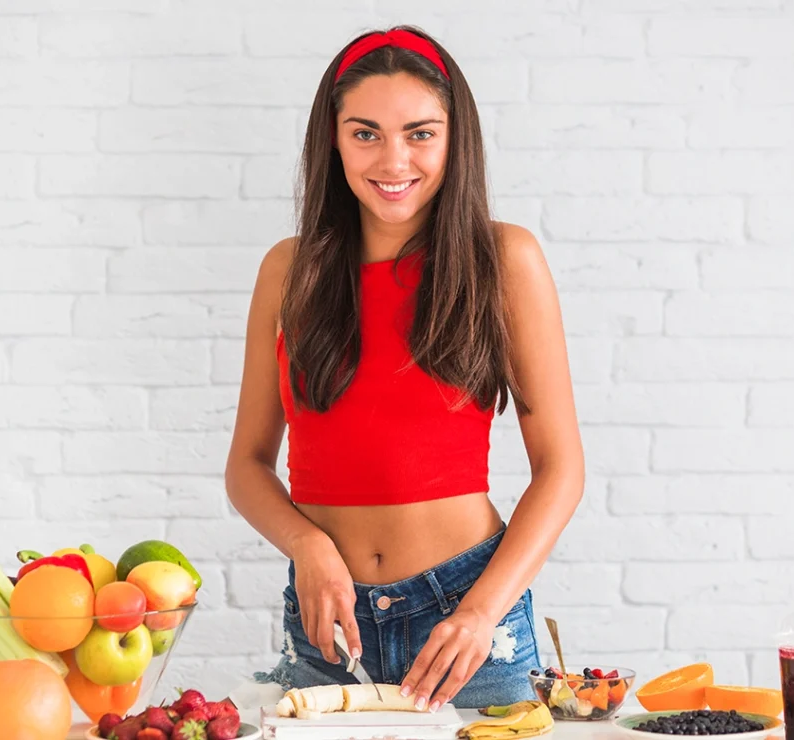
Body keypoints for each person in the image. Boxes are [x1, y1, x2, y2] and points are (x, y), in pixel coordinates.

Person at [224, 25, 585, 711]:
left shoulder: (504, 261)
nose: (393, 160)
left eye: (420, 133)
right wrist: (308, 546)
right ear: (332, 139)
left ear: (455, 139)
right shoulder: (289, 271)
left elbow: (562, 469)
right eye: (366, 134)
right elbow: (246, 464)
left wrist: (481, 612)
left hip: (468, 622)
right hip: (330, 626)